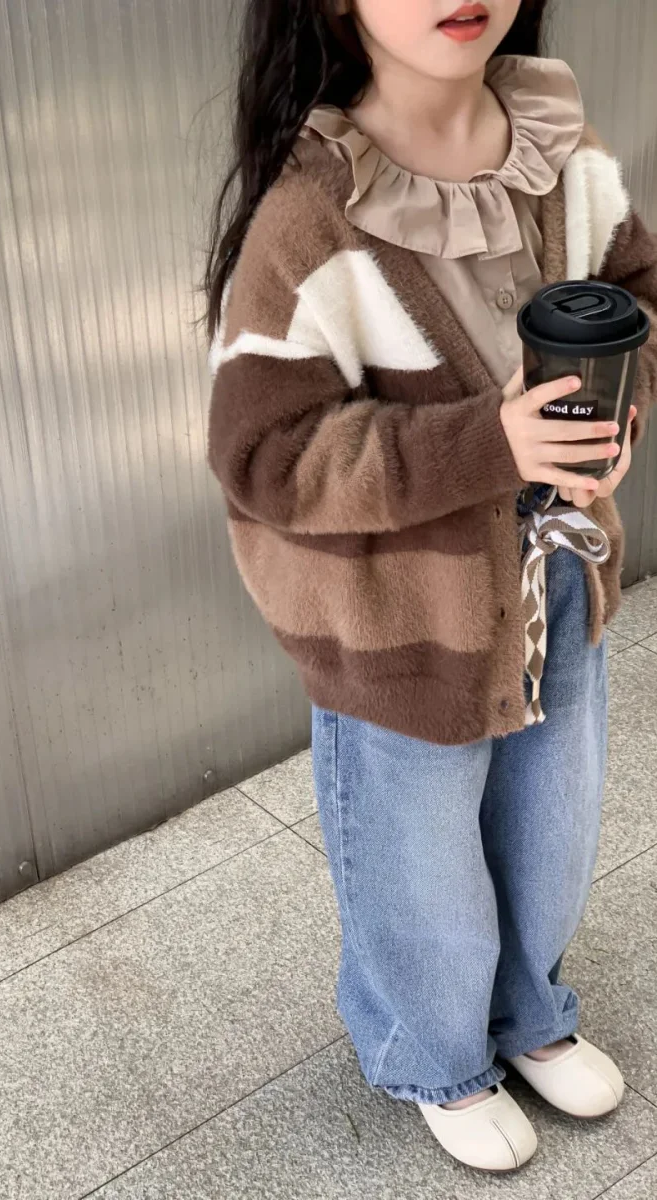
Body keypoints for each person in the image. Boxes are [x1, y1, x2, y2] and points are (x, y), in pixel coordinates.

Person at [204, 0, 657, 1173]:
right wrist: (489, 445)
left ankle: (529, 1010)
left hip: (554, 587)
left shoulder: (555, 146)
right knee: (420, 862)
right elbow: (266, 456)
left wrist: (621, 402)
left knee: (550, 829)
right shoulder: (312, 213)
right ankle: (435, 1052)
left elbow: (640, 294)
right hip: (399, 624)